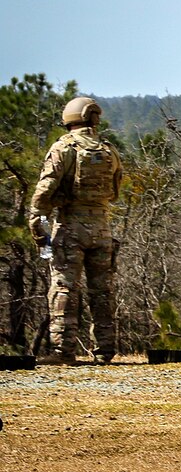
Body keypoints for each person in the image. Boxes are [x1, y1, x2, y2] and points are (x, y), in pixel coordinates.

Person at [29, 97, 123, 365]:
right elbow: (115, 190)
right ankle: (104, 350)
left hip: (70, 225)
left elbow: (46, 187)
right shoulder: (108, 149)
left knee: (64, 288)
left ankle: (63, 351)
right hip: (102, 226)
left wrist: (37, 218)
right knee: (102, 290)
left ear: (69, 117)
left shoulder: (64, 147)